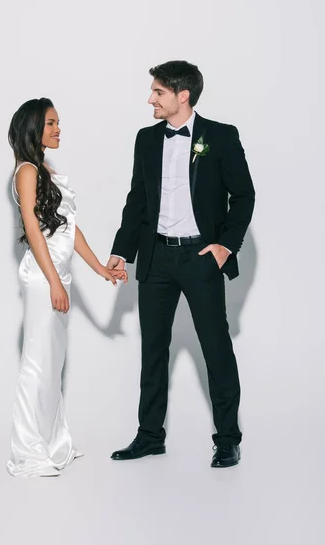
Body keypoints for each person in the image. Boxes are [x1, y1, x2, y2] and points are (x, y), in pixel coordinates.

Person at [107, 61, 255, 468]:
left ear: (182, 95)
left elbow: (244, 196)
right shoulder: (145, 139)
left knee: (216, 348)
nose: (150, 98)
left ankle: (227, 438)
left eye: (158, 92)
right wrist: (122, 251)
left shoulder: (221, 137)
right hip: (155, 258)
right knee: (153, 349)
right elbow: (137, 200)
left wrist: (226, 246)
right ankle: (150, 435)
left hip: (200, 258)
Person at [7, 98, 127, 477]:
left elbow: (70, 231)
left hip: (58, 276)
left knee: (53, 364)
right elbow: (32, 229)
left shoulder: (46, 169)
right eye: (51, 123)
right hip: (44, 279)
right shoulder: (27, 171)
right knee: (36, 365)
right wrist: (54, 283)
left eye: (58, 123)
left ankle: (53, 442)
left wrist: (100, 271)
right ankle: (27, 453)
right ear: (33, 129)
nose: (58, 129)